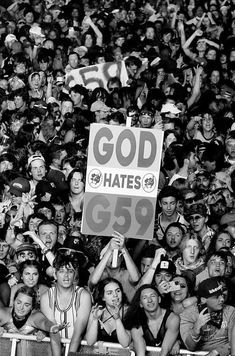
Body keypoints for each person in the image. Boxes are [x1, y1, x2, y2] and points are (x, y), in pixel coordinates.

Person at [40, 252, 91, 353]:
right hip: (54, 346)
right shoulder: (46, 297)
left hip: (79, 349)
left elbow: (78, 333)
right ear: (55, 274)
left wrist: (70, 354)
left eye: (70, 271)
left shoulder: (83, 296)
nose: (66, 276)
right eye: (61, 271)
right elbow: (53, 331)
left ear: (75, 274)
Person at [0, 286, 64, 356]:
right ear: (14, 301)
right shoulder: (3, 313)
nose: (21, 308)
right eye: (18, 302)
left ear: (32, 307)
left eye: (26, 305)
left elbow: (44, 323)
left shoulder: (34, 316)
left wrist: (52, 328)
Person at [180, 277, 235, 356]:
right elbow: (190, 347)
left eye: (221, 295)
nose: (222, 299)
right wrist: (196, 329)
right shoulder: (188, 314)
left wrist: (216, 352)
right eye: (217, 297)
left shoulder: (230, 311)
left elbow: (233, 343)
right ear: (203, 300)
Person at [124, 284, 180, 356]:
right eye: (145, 298)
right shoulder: (137, 326)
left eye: (152, 296)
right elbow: (141, 354)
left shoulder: (172, 319)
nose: (149, 300)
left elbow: (165, 351)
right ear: (141, 304)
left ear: (159, 299)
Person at [89, 231, 140, 302]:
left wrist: (123, 248)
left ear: (122, 258)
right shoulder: (100, 275)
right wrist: (109, 249)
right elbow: (93, 281)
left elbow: (136, 278)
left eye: (116, 253)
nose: (113, 257)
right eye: (110, 254)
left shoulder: (126, 274)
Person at [85, 278, 131, 347]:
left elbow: (125, 343)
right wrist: (95, 319)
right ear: (103, 297)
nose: (115, 295)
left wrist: (117, 319)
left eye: (118, 291)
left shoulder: (129, 311)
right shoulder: (97, 311)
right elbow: (90, 342)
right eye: (109, 293)